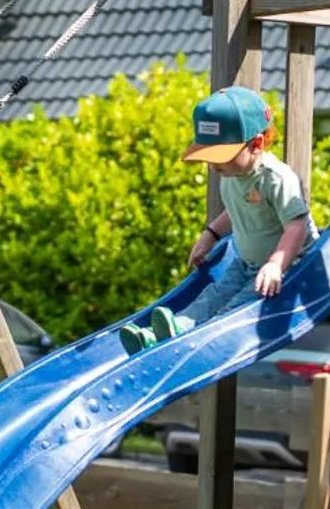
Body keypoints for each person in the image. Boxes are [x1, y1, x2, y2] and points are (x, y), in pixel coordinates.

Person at [119, 85, 317, 352]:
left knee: (235, 308)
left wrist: (276, 264)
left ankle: (197, 342)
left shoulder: (276, 178)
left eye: (219, 156)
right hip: (246, 263)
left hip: (290, 268)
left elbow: (297, 224)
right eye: (208, 156)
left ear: (256, 144)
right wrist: (210, 235)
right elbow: (235, 211)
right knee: (213, 294)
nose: (213, 165)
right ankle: (170, 332)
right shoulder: (231, 175)